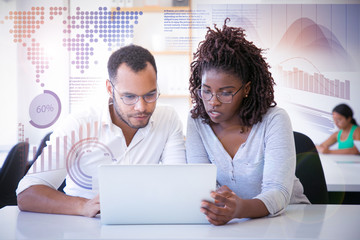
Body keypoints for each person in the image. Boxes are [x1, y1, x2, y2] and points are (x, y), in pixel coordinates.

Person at [17, 45, 186, 217]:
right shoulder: (78, 124)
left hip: (144, 224)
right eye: (129, 97)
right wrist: (83, 206)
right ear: (109, 89)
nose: (141, 107)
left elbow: (178, 182)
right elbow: (27, 193)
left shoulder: (168, 119)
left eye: (150, 95)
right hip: (85, 229)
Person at [186, 19, 309, 226]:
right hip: (233, 226)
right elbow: (201, 183)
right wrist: (220, 202)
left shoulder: (274, 119)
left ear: (246, 89)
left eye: (225, 93)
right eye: (206, 91)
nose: (212, 102)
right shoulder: (197, 120)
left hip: (290, 221)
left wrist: (239, 209)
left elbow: (277, 192)